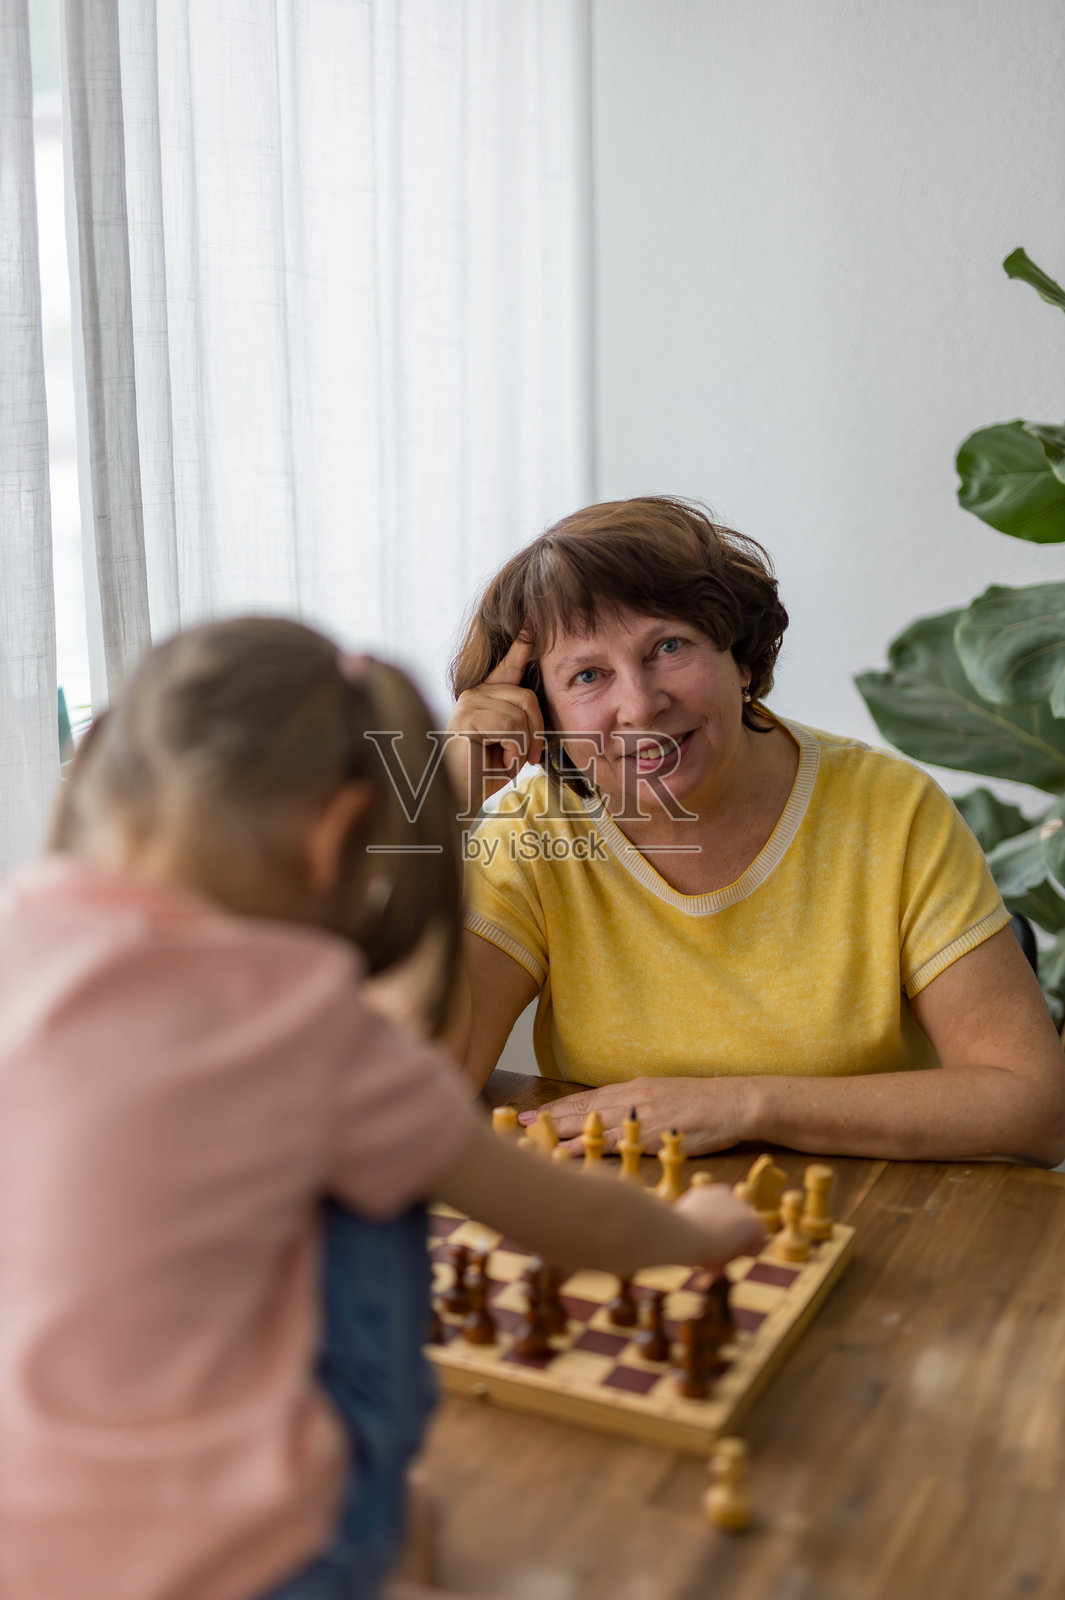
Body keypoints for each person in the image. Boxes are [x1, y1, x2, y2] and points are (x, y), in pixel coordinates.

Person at [0, 616, 764, 1600]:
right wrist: (689, 1233)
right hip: (254, 1562)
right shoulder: (311, 1033)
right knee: (380, 1174)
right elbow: (567, 1217)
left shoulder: (21, 938)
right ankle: (367, 1525)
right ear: (336, 845)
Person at [446, 496, 1065, 1168]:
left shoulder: (889, 809)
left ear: (739, 657)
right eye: (589, 675)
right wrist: (446, 804)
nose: (640, 703)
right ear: (544, 715)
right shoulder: (537, 834)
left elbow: (1033, 1107)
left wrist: (738, 1106)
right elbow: (417, 1078)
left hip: (878, 1223)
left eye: (668, 646)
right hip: (629, 1224)